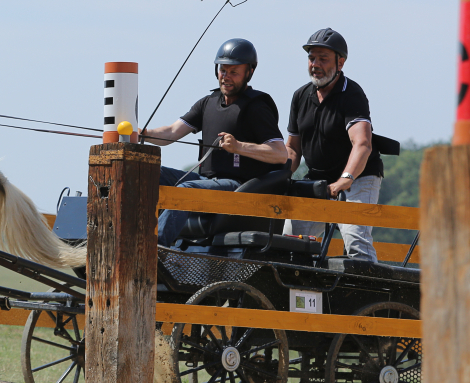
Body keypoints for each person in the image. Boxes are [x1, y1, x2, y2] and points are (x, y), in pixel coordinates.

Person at [143, 38, 288, 247]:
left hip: (237, 187)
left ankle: (155, 249)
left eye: (234, 72)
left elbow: (280, 153)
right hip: (207, 181)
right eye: (223, 70)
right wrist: (142, 134)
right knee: (146, 171)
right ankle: (132, 235)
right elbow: (172, 132)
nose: (226, 77)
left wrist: (239, 147)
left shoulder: (256, 107)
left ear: (249, 72)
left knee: (185, 190)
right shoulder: (208, 102)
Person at [284, 28, 383, 262]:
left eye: (323, 58)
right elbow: (293, 149)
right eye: (311, 58)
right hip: (318, 179)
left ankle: (371, 296)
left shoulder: (352, 94)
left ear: (341, 62)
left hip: (359, 176)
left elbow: (363, 144)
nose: (315, 64)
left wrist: (345, 179)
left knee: (355, 239)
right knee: (289, 241)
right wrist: (281, 178)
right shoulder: (300, 96)